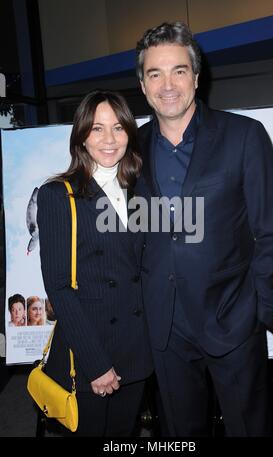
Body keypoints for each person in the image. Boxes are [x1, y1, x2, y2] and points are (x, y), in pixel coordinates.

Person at [135, 22, 273, 437]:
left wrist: (260, 311)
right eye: (155, 73)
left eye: (179, 71)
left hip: (233, 321)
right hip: (164, 329)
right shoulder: (130, 148)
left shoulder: (244, 136)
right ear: (142, 83)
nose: (168, 84)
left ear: (197, 77)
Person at [37, 90, 152, 437]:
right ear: (82, 137)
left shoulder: (142, 190)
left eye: (117, 128)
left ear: (129, 134)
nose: (109, 139)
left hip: (135, 349)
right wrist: (96, 364)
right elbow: (58, 286)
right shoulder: (59, 194)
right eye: (97, 129)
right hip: (90, 351)